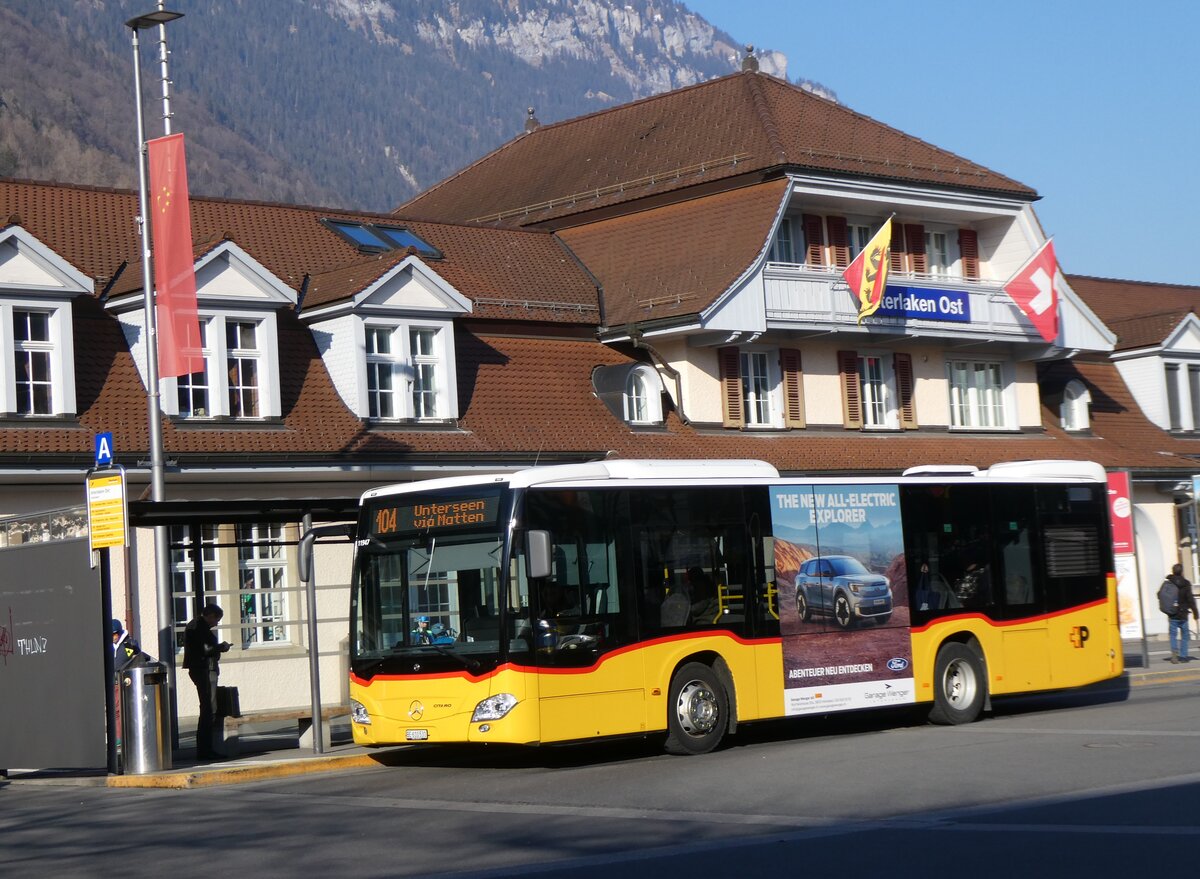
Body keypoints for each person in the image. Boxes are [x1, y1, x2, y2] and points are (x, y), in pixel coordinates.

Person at [182, 603, 231, 760]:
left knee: (208, 708)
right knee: (209, 708)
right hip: (203, 669)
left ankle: (205, 749)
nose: (216, 623)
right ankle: (205, 749)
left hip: (201, 668)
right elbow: (206, 649)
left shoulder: (196, 626)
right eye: (216, 619)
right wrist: (220, 647)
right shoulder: (198, 627)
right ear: (210, 615)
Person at [1163, 564, 1197, 663]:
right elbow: (1190, 599)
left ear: (1173, 571)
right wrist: (1195, 613)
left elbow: (1159, 594)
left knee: (1173, 635)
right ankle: (1183, 656)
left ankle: (1174, 653)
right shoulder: (1186, 583)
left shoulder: (1168, 582)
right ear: (1182, 572)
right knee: (1185, 636)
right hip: (1183, 614)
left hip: (1172, 614)